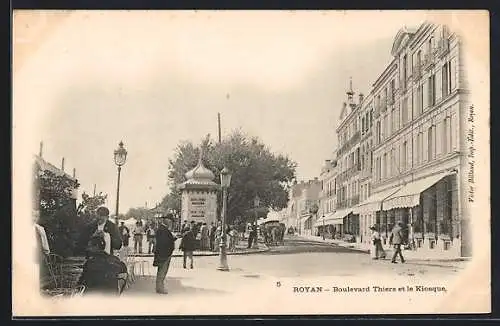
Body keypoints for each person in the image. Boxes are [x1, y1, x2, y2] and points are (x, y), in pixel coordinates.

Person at [153, 214, 176, 294]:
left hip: (164, 253)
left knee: (162, 271)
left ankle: (159, 287)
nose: (171, 223)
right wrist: (172, 240)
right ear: (167, 220)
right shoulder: (163, 229)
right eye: (170, 221)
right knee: (162, 271)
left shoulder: (163, 229)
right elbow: (163, 242)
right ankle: (160, 288)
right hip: (164, 254)